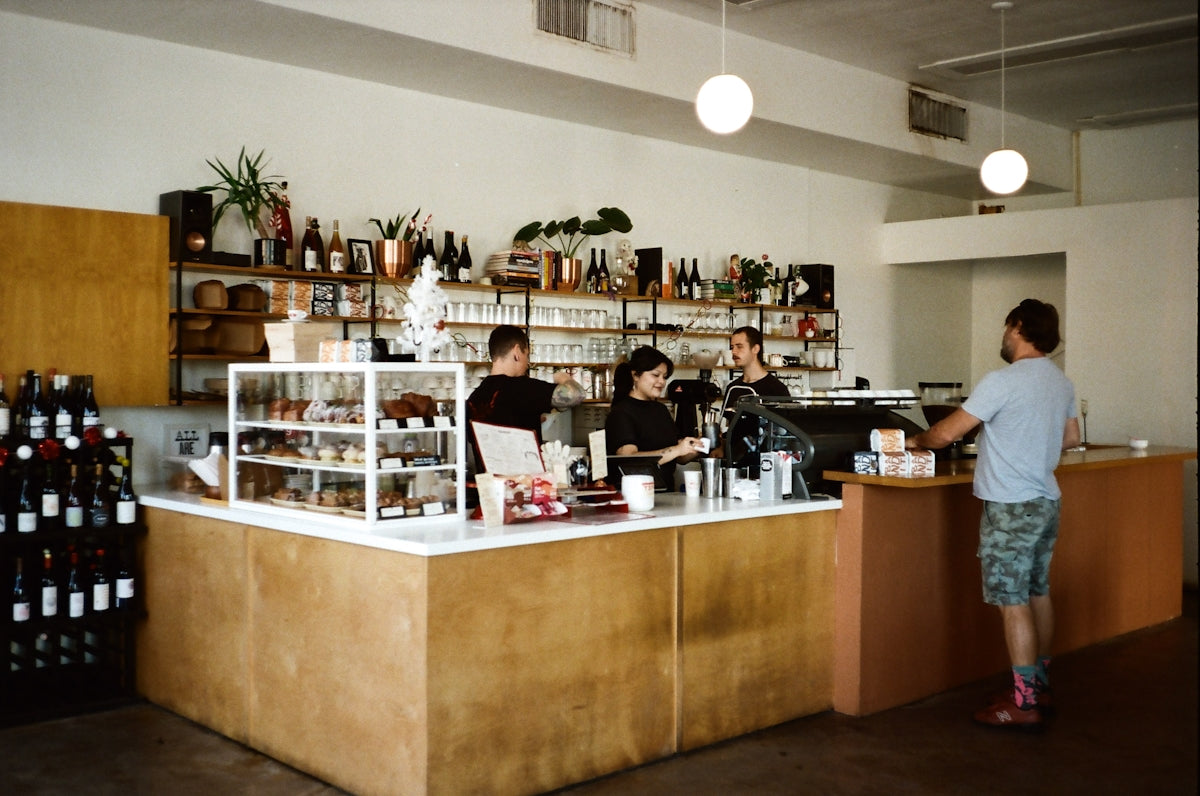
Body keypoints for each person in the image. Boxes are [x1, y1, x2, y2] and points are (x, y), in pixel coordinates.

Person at [906, 299, 1080, 730]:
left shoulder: (1002, 381)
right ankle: (1038, 684)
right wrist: (1029, 450)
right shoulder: (1060, 382)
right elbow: (1072, 438)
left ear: (1018, 327)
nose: (1003, 336)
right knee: (1037, 590)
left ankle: (1022, 703)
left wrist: (915, 442)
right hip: (1045, 502)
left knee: (1011, 601)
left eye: (1006, 328)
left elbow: (947, 433)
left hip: (1010, 506)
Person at [466, 325, 583, 469]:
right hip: (524, 486)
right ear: (516, 352)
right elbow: (576, 394)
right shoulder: (522, 387)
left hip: (489, 487)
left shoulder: (473, 399)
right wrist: (564, 378)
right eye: (527, 355)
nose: (527, 363)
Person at [605, 345, 704, 486]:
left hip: (665, 495)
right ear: (635, 375)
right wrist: (676, 450)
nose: (662, 382)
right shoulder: (621, 413)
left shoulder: (661, 410)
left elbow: (678, 458)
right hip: (634, 495)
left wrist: (698, 446)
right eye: (655, 375)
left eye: (664, 377)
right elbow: (629, 458)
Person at [715, 326, 791, 463]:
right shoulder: (733, 388)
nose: (734, 352)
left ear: (755, 349)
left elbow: (784, 433)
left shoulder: (776, 389)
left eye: (739, 347)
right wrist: (721, 447)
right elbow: (728, 426)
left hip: (765, 463)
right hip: (735, 462)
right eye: (732, 347)